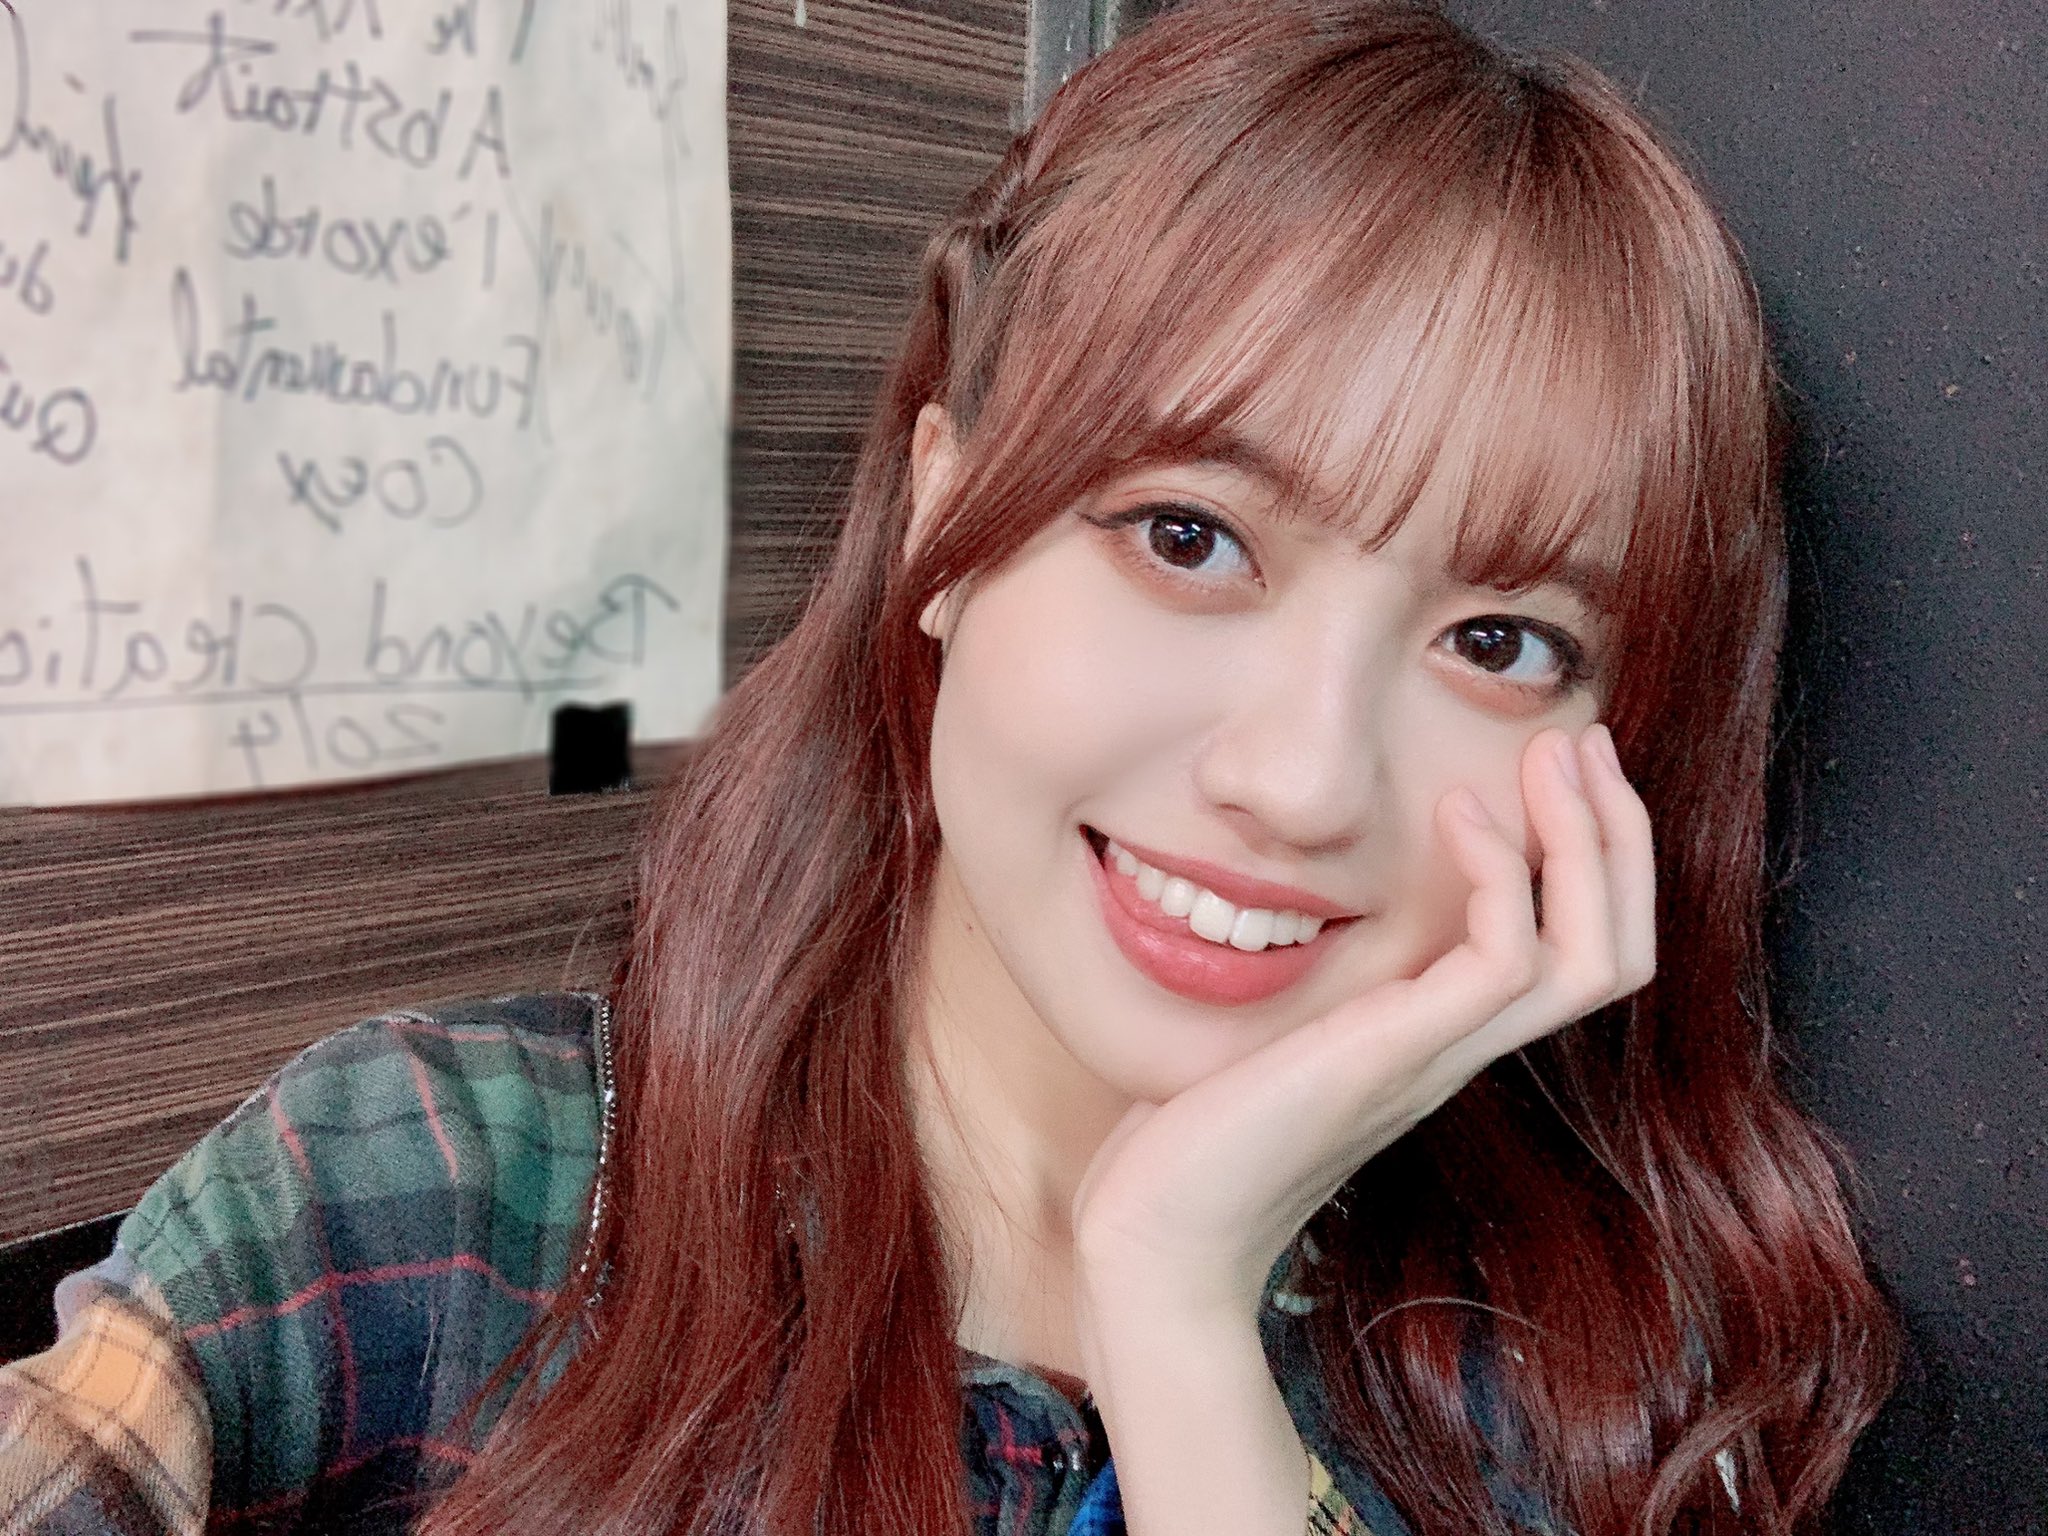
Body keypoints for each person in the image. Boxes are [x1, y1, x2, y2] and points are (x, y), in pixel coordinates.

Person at [0, 2, 1899, 1532]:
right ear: (942, 514)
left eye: (1499, 643)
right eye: (1188, 536)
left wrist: (1177, 1310)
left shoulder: (1590, 1400)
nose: (1307, 780)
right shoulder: (428, 1202)